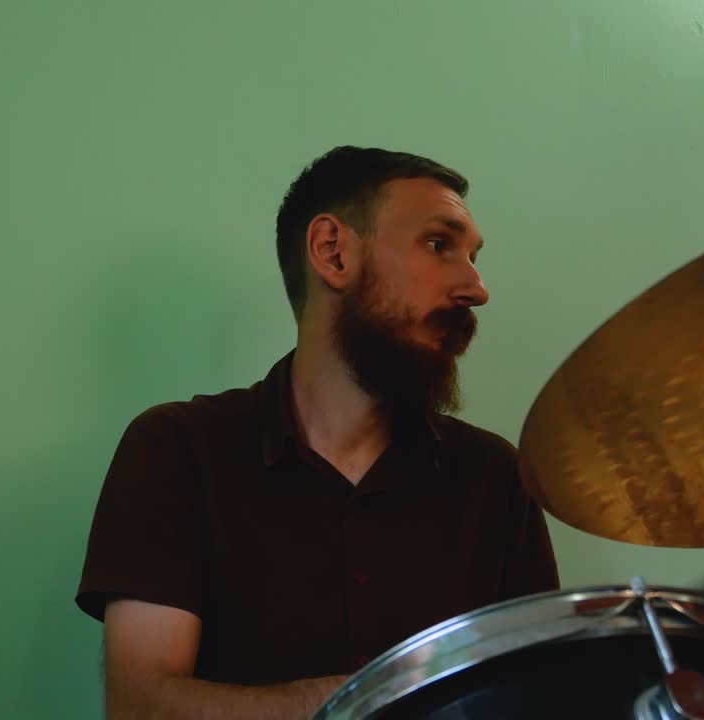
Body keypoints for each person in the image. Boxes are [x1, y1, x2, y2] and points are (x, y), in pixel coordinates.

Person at [75, 146, 560, 719]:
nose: (476, 288)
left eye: (473, 256)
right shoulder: (178, 451)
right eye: (438, 244)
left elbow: (542, 698)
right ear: (332, 252)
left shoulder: (495, 477)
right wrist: (382, 699)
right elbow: (142, 707)